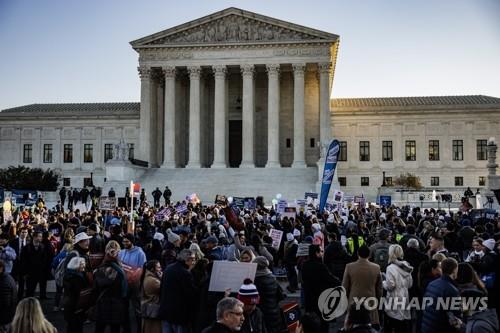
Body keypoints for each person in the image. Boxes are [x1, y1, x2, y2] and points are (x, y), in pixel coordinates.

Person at [301, 244, 340, 333]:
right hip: (322, 299)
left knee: (311, 322)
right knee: (323, 325)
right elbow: (332, 279)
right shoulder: (320, 266)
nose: (322, 253)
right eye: (320, 251)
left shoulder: (305, 265)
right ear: (316, 253)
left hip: (309, 298)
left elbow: (303, 280)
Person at [342, 245, 383, 329]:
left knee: (352, 325)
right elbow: (379, 288)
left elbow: (344, 286)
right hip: (370, 300)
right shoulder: (376, 267)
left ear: (358, 254)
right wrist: (378, 299)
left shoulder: (349, 267)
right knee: (370, 326)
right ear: (370, 255)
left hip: (354, 301)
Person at [93, 240, 128, 333]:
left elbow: (96, 287)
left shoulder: (100, 268)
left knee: (99, 327)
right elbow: (122, 288)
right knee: (115, 328)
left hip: (102, 301)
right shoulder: (120, 271)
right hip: (116, 302)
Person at [159, 249, 197, 333]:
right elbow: (191, 294)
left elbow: (161, 288)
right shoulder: (185, 273)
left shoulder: (168, 268)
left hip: (166, 311)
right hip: (179, 315)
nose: (194, 262)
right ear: (187, 260)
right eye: (193, 259)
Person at [421, 257, 462, 333]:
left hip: (428, 326)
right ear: (454, 269)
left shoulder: (432, 284)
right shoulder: (451, 290)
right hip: (440, 328)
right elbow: (455, 317)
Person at [119, 234, 147, 333]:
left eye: (127, 241)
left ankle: (140, 329)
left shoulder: (140, 253)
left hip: (135, 285)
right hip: (124, 285)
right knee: (124, 307)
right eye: (123, 241)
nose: (124, 243)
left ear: (132, 242)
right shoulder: (121, 252)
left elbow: (142, 269)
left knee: (137, 309)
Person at [383, 244, 413, 333]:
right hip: (405, 296)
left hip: (394, 298)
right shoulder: (407, 267)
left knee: (393, 322)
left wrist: (383, 282)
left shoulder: (390, 268)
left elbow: (390, 286)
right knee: (403, 323)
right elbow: (410, 284)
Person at [252, 256, 286, 333]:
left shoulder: (255, 280)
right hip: (275, 312)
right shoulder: (272, 278)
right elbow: (280, 296)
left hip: (262, 313)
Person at [62, 257, 89, 333]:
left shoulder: (68, 275)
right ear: (76, 265)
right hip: (76, 306)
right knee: (77, 327)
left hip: (69, 305)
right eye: (82, 264)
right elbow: (79, 293)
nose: (84, 266)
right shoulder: (77, 278)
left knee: (71, 326)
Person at [22, 231, 50, 299]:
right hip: (30, 272)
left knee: (42, 285)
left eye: (41, 236)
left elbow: (45, 259)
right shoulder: (27, 247)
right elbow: (23, 260)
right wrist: (25, 272)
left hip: (40, 271)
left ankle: (42, 296)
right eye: (39, 236)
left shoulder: (42, 246)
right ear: (34, 237)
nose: (41, 238)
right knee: (30, 290)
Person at [140, 260, 162, 333]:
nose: (160, 269)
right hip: (153, 310)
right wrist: (162, 278)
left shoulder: (148, 277)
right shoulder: (153, 280)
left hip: (149, 308)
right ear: (152, 269)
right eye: (158, 267)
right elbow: (164, 288)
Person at [9, 227, 29, 299]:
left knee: (22, 283)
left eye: (26, 232)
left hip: (24, 266)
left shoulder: (28, 242)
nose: (24, 234)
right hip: (15, 265)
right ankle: (12, 296)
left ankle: (19, 298)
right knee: (13, 282)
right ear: (19, 233)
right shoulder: (13, 241)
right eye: (23, 232)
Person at [0, 259, 16, 333]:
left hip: (3, 319)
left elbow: (5, 303)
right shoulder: (6, 278)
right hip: (7, 318)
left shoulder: (4, 282)